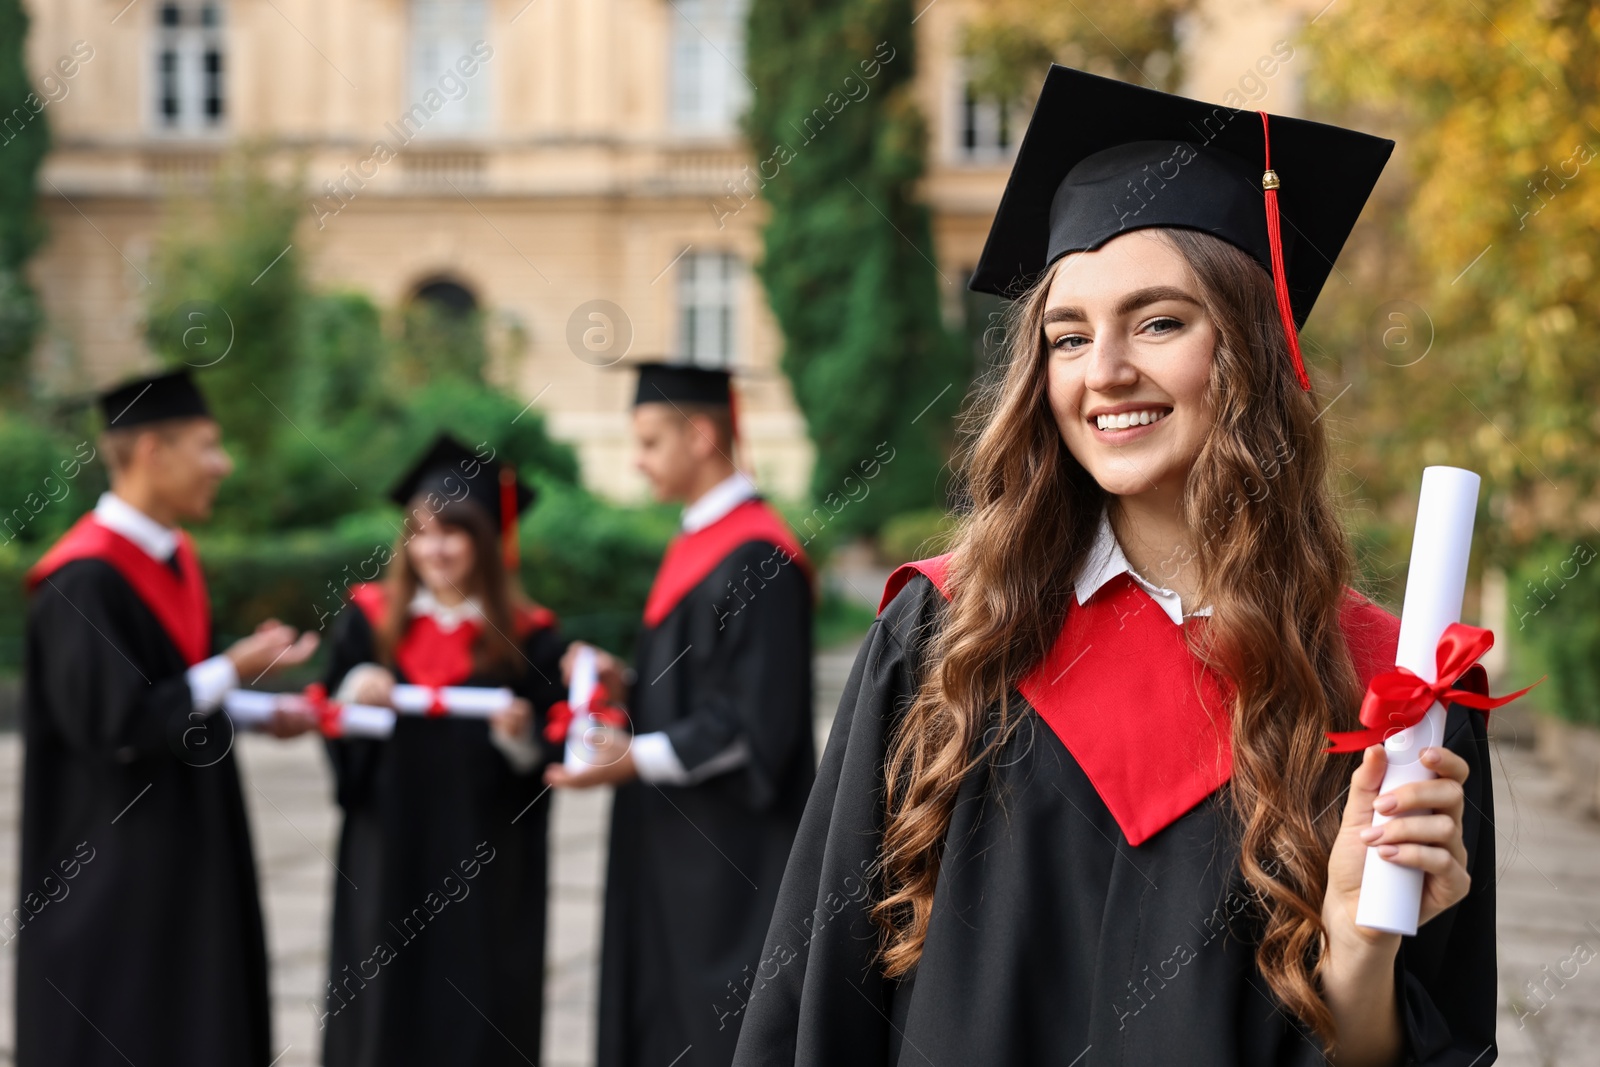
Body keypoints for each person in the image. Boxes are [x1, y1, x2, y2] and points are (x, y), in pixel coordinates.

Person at [732, 67, 1501, 1066]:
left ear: (1251, 350)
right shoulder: (943, 634)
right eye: (1066, 335)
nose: (1103, 371)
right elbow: (818, 991)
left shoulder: (1390, 689)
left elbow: (1401, 1043)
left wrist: (1356, 956)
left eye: (1158, 321)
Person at [18, 369, 319, 1066]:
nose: (225, 464)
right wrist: (233, 668)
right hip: (111, 866)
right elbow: (117, 724)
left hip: (186, 850)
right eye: (209, 447)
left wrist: (265, 710)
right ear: (153, 451)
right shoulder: (83, 578)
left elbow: (177, 695)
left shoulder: (174, 556)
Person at [546, 363, 816, 1067]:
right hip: (673, 836)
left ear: (700, 434)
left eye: (648, 441)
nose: (636, 461)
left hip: (730, 855)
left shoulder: (759, 556)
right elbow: (702, 687)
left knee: (712, 1028)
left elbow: (761, 724)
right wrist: (630, 682)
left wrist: (632, 756)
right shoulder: (702, 539)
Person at [318, 433, 566, 1067]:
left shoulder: (528, 636)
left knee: (476, 994)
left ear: (484, 540)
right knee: (383, 988)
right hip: (388, 848)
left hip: (482, 858)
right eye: (421, 533)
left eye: (452, 533)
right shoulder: (369, 624)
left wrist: (518, 739)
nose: (435, 549)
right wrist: (354, 697)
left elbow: (544, 761)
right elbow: (336, 735)